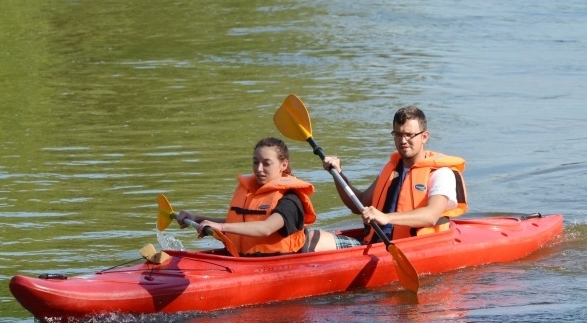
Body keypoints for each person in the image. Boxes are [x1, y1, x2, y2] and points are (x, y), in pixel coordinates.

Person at [175, 137, 353, 256]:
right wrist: (198, 218)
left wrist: (220, 226)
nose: (259, 169)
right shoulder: (251, 191)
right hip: (254, 259)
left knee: (366, 244)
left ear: (283, 165)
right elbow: (243, 223)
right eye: (255, 162)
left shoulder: (290, 199)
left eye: (266, 163)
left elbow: (266, 228)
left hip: (315, 249)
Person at [323, 105, 468, 242]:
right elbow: (358, 204)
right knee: (314, 238)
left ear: (424, 137)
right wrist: (338, 174)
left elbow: (431, 215)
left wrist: (386, 218)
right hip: (377, 243)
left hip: (417, 247)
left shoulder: (441, 173)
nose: (403, 141)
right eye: (398, 134)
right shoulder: (390, 169)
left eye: (409, 135)